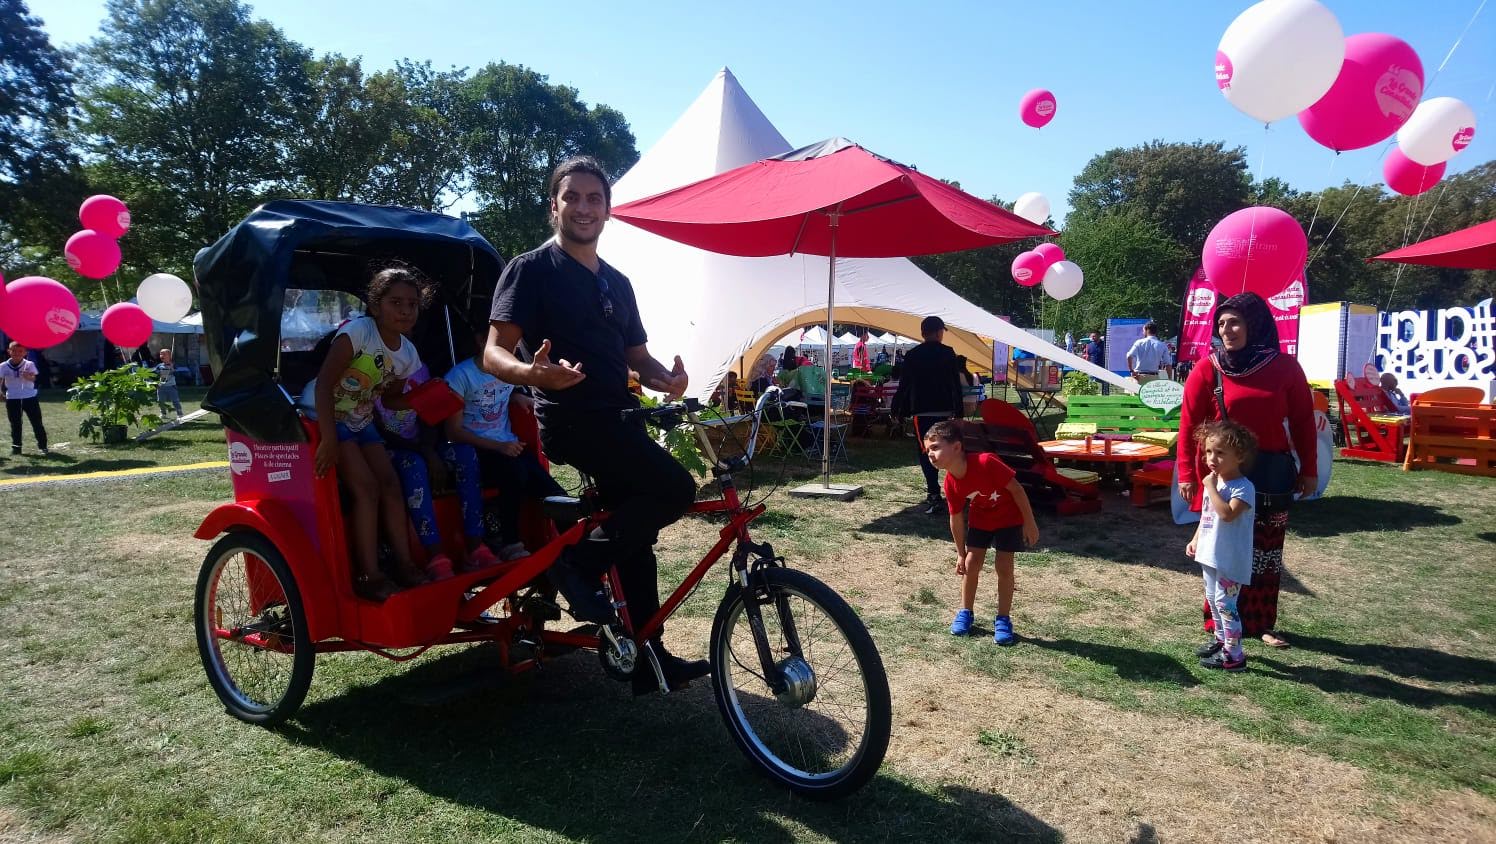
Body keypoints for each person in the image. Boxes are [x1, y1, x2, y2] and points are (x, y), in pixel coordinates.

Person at [483, 155, 708, 693]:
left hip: (618, 417)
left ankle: (647, 656)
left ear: (607, 210)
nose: (584, 207)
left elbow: (638, 356)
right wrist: (530, 371)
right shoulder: (529, 269)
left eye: (594, 199)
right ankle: (577, 566)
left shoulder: (618, 282)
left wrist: (667, 380)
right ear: (553, 206)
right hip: (570, 420)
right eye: (573, 197)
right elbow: (493, 354)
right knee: (674, 488)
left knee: (639, 533)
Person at [1178, 292, 1317, 651]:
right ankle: (1220, 626)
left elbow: (1302, 422)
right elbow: (1190, 422)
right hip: (1225, 475)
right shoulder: (1209, 367)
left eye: (1235, 321)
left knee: (1264, 554)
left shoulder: (1285, 368)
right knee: (1220, 551)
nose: (1227, 329)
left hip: (1271, 474)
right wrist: (1187, 474)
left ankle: (1260, 623)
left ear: (1255, 324)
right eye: (1221, 323)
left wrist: (1310, 469)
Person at [302, 267, 433, 602]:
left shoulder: (408, 353)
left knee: (391, 486)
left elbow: (389, 398)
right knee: (367, 488)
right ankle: (369, 575)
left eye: (413, 304)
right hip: (326, 414)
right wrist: (329, 440)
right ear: (375, 306)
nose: (405, 310)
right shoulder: (359, 331)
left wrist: (428, 396)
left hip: (361, 419)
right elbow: (324, 386)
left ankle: (404, 564)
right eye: (396, 302)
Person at [443, 340, 566, 563]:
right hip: (474, 450)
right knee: (514, 473)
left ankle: (570, 547)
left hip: (508, 446)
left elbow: (503, 392)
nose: (512, 349)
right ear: (482, 340)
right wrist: (499, 446)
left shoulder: (511, 371)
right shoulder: (459, 376)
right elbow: (454, 432)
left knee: (556, 494)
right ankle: (510, 543)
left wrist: (519, 396)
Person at [375, 366, 500, 580]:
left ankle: (475, 547)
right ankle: (436, 557)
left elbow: (431, 417)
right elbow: (379, 429)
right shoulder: (371, 372)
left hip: (424, 444)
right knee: (413, 466)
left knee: (465, 454)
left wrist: (428, 449)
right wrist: (424, 453)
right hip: (388, 449)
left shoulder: (419, 369)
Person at [923, 420, 1039, 645]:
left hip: (1009, 519)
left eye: (935, 447)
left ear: (956, 447)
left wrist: (1029, 522)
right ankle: (965, 612)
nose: (930, 454)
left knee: (1004, 567)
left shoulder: (986, 462)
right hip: (981, 519)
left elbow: (1017, 489)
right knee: (970, 564)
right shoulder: (950, 482)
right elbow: (955, 518)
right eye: (928, 449)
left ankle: (1003, 619)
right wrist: (959, 552)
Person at [1186, 420, 1257, 672]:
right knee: (1213, 600)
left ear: (1239, 457)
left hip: (1230, 557)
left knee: (1226, 604)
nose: (1211, 458)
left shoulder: (1243, 488)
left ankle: (1234, 654)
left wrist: (1209, 487)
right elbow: (1208, 515)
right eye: (1208, 452)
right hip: (1210, 552)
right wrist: (1196, 539)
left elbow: (1227, 514)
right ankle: (1220, 640)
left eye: (1219, 453)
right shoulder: (1215, 483)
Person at [893, 316, 964, 515]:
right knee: (952, 450)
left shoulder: (913, 355)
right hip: (945, 410)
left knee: (928, 452)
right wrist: (959, 411)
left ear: (923, 333)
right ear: (939, 332)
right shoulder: (948, 353)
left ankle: (934, 493)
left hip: (921, 411)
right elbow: (955, 385)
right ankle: (957, 490)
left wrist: (897, 409)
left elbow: (904, 385)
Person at [3, 342, 48, 456]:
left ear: (25, 353)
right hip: (13, 398)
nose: (17, 353)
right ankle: (17, 447)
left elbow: (34, 378)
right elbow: (1, 379)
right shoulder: (3, 365)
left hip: (30, 397)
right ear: (9, 352)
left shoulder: (29, 364)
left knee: (37, 422)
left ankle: (43, 446)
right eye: (14, 351)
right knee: (15, 423)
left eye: (20, 351)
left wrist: (28, 376)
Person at [154, 349, 184, 419]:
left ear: (170, 356)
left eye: (164, 354)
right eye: (160, 354)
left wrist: (172, 368)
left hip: (171, 386)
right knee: (160, 401)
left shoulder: (173, 365)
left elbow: (177, 372)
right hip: (161, 387)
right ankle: (163, 413)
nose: (161, 355)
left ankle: (179, 413)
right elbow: (155, 374)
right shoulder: (159, 366)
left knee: (175, 400)